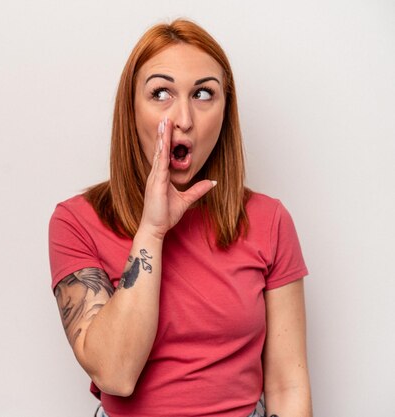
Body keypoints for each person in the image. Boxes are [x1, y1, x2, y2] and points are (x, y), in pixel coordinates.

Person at [48, 19, 312, 417]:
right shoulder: (76, 221)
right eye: (161, 93)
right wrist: (152, 230)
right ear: (131, 109)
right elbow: (115, 374)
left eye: (204, 93)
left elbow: (287, 386)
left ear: (226, 111)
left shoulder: (269, 221)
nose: (184, 118)